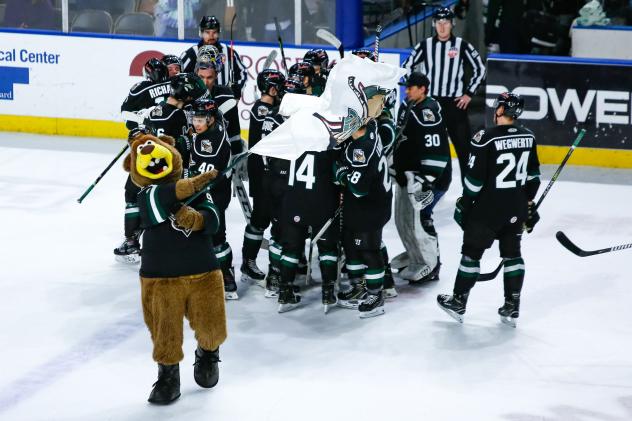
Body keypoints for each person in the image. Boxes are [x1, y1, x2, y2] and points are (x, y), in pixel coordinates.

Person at [437, 92, 541, 327]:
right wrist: (528, 202)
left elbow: (473, 182)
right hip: (515, 207)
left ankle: (459, 301)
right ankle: (512, 305)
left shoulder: (485, 137)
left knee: (472, 254)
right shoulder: (528, 136)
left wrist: (465, 202)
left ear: (503, 111)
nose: (496, 110)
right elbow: (534, 178)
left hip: (488, 210)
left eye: (499, 107)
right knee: (513, 254)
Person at [402, 7, 485, 186]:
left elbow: (480, 68)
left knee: (464, 151)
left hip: (455, 106)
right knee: (430, 149)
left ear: (452, 24)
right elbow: (406, 66)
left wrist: (469, 94)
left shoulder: (462, 45)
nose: (442, 26)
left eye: (445, 22)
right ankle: (429, 187)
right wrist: (417, 90)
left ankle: (469, 193)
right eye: (438, 23)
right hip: (431, 106)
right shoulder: (425, 45)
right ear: (433, 24)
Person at [335, 101, 393, 318]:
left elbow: (358, 189)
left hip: (370, 207)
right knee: (350, 243)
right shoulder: (371, 129)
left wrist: (341, 172)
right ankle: (358, 286)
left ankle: (376, 295)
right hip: (369, 203)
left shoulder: (362, 148)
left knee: (368, 250)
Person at [392, 72, 451, 283]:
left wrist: (427, 181)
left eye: (411, 87)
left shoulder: (429, 112)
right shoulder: (408, 105)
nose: (406, 90)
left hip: (428, 179)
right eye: (406, 87)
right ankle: (416, 255)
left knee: (422, 217)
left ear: (423, 88)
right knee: (404, 219)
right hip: (408, 175)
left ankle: (432, 265)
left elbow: (437, 150)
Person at [115, 58, 171, 264]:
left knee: (134, 190)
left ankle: (132, 239)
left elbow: (126, 114)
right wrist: (142, 122)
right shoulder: (178, 85)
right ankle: (141, 237)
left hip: (156, 149)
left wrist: (140, 123)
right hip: (164, 148)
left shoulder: (141, 89)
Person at [240, 69, 286, 285]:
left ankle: (252, 263)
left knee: (265, 219)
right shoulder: (261, 109)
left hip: (266, 171)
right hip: (262, 173)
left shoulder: (265, 107)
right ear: (271, 88)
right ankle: (248, 262)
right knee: (261, 220)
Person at [188, 99, 236, 300]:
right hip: (200, 191)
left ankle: (226, 276)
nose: (196, 123)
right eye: (195, 119)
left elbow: (208, 170)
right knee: (196, 235)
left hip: (214, 193)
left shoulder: (213, 139)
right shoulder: (205, 133)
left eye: (200, 119)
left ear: (211, 119)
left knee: (216, 236)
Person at [180, 16, 248, 99]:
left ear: (219, 33)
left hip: (223, 99)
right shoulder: (191, 54)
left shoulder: (228, 52)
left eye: (214, 32)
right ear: (201, 33)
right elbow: (180, 75)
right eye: (207, 32)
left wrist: (237, 91)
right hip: (198, 102)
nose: (211, 36)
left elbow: (242, 72)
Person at [195, 56, 243, 156]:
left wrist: (237, 156)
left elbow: (234, 132)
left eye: (209, 77)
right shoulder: (188, 95)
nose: (205, 83)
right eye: (201, 77)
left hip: (219, 154)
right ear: (196, 75)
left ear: (216, 75)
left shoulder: (226, 95)